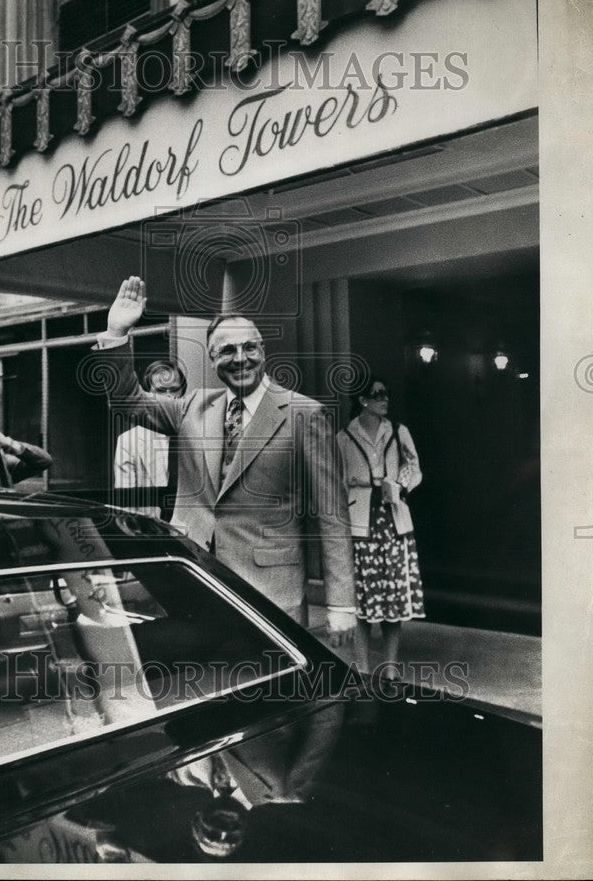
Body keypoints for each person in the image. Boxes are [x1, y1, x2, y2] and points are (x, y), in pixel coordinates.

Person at [93, 276, 356, 646]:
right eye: (228, 350)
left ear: (264, 351)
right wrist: (117, 332)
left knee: (271, 694)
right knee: (207, 683)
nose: (241, 358)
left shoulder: (304, 414)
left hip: (270, 591)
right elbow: (126, 401)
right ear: (213, 358)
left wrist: (341, 603)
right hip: (194, 582)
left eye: (250, 347)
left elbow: (332, 513)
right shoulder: (193, 406)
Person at [337, 376, 424, 678]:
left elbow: (414, 466)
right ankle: (361, 667)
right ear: (363, 400)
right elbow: (337, 479)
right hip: (360, 523)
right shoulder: (345, 437)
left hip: (393, 521)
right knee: (363, 598)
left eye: (387, 394)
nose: (385, 399)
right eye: (378, 395)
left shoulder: (398, 432)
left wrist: (400, 485)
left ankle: (390, 668)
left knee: (393, 596)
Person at [114, 360, 187, 519]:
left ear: (183, 392)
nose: (168, 396)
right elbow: (125, 502)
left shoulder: (199, 432)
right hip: (152, 532)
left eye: (174, 390)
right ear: (147, 394)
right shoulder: (128, 441)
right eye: (161, 391)